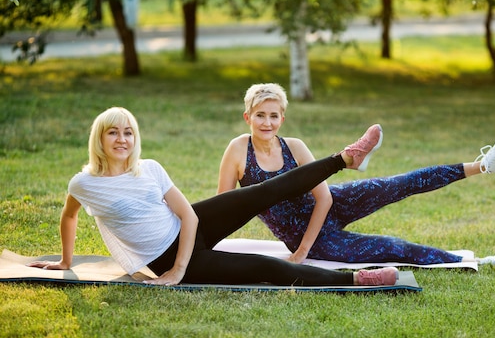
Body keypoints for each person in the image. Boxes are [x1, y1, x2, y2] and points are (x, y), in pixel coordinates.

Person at [28, 106, 400, 287]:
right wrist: (65, 261)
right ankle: (356, 280)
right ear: (100, 139)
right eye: (113, 133)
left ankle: (346, 158)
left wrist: (179, 268)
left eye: (128, 132)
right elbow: (69, 215)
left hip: (189, 228)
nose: (122, 140)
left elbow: (188, 216)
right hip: (166, 257)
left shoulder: (150, 168)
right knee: (264, 269)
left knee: (261, 191)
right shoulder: (84, 183)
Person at [217, 83, 495, 269]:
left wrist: (302, 253)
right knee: (393, 247)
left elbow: (324, 197)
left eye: (273, 115)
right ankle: (476, 261)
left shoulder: (294, 147)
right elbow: (224, 210)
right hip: (314, 238)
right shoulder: (237, 151)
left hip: (331, 205)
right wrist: (303, 250)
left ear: (283, 118)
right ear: (248, 117)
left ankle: (483, 165)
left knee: (399, 184)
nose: (267, 122)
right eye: (260, 115)